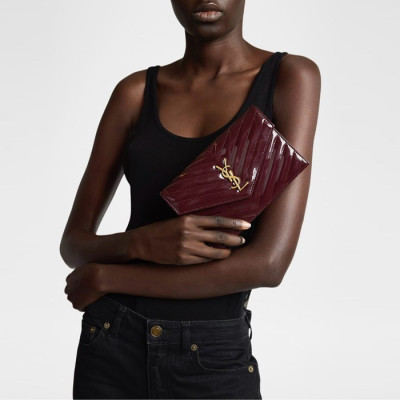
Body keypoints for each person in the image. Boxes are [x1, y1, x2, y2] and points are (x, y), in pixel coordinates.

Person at [60, 0, 321, 398]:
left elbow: (268, 265)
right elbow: (74, 244)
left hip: (211, 356)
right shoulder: (135, 93)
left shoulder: (290, 77)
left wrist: (109, 276)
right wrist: (143, 243)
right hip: (112, 341)